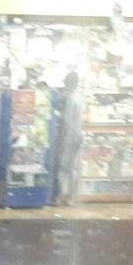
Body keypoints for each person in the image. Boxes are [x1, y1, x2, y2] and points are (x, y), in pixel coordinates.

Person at [54, 71, 86, 206]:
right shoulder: (75, 97)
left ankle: (66, 196)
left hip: (70, 136)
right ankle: (67, 196)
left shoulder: (73, 99)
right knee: (68, 167)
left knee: (67, 167)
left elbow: (67, 120)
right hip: (72, 135)